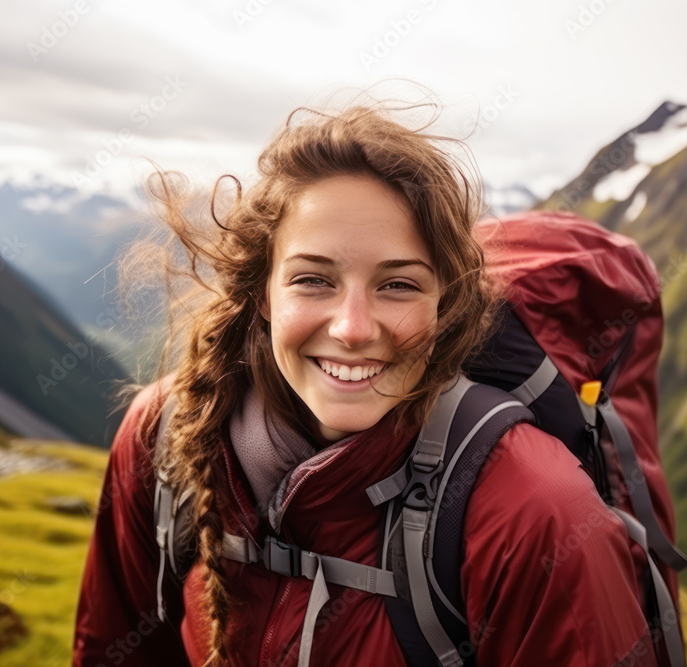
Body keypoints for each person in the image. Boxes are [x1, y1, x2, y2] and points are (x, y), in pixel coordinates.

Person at [72, 95, 659, 666]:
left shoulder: (533, 511)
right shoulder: (167, 433)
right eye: (312, 280)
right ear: (261, 293)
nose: (353, 329)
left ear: (444, 305)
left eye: (398, 285)